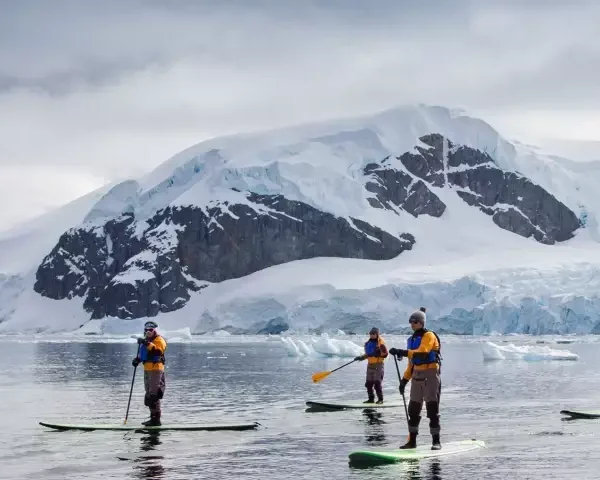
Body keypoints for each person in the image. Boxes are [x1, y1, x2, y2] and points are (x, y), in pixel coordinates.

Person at [389, 307, 442, 450]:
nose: (412, 324)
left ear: (421, 322)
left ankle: (436, 442)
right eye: (410, 322)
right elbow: (411, 364)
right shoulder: (411, 339)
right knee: (413, 411)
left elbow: (422, 353)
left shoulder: (429, 336)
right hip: (417, 377)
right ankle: (412, 441)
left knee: (432, 410)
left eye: (415, 321)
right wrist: (404, 381)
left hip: (430, 376)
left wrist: (401, 352)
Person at [132, 320, 167, 426]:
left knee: (154, 394)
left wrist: (146, 343)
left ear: (154, 330)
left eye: (150, 330)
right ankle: (153, 417)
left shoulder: (159, 340)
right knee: (148, 395)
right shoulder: (146, 341)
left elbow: (157, 351)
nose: (148, 332)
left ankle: (156, 420)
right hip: (147, 369)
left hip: (156, 369)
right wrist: (137, 360)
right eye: (146, 330)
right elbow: (143, 354)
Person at [354, 327, 389, 404]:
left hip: (378, 365)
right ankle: (371, 399)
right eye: (371, 334)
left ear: (377, 334)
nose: (372, 335)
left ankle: (380, 399)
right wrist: (360, 358)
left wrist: (379, 353)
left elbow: (385, 354)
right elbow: (367, 355)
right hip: (370, 365)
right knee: (368, 383)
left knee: (377, 383)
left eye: (374, 334)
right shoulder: (368, 343)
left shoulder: (381, 343)